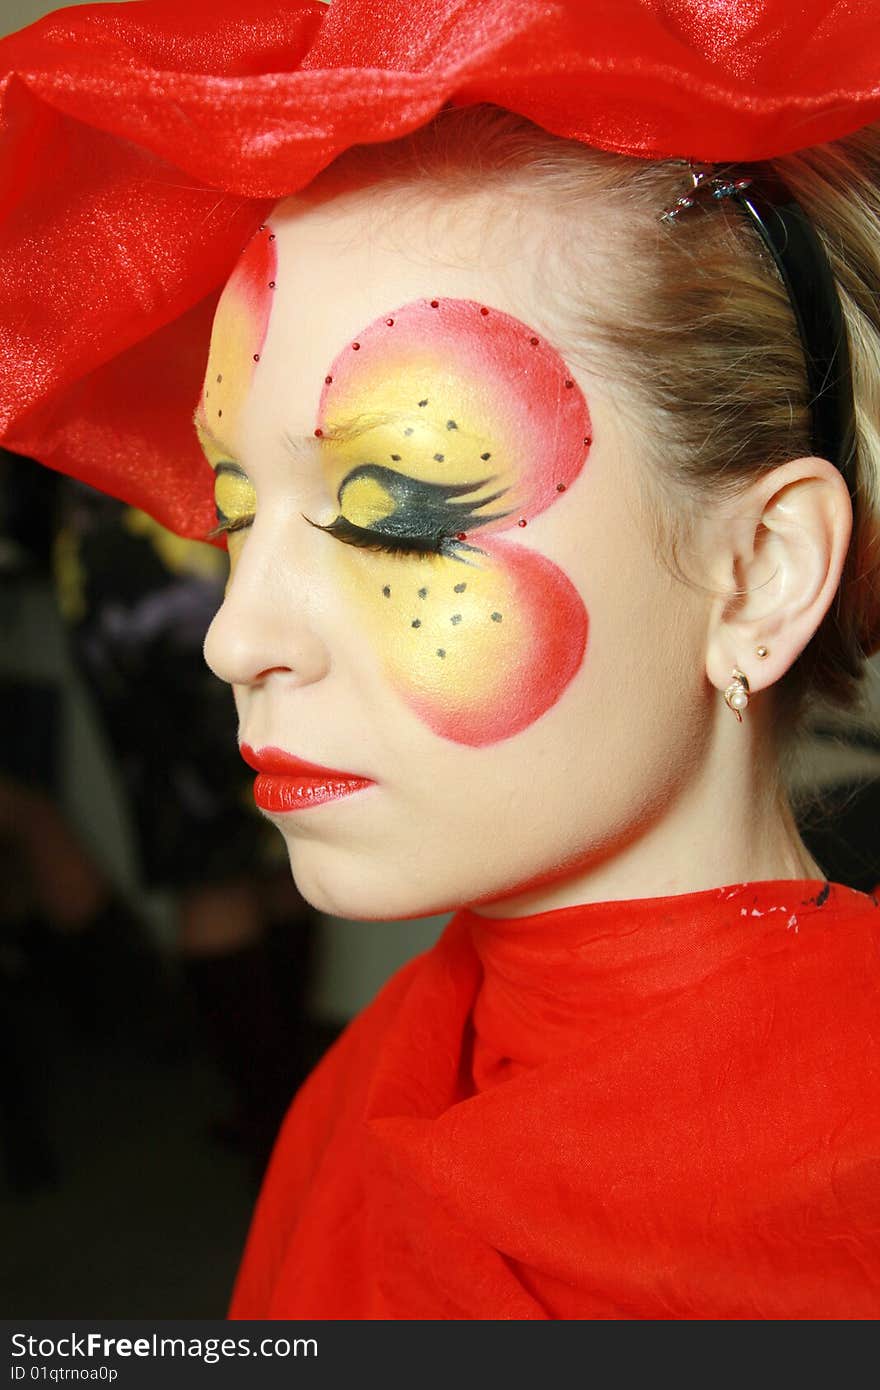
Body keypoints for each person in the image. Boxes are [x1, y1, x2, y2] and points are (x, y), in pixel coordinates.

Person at [2, 0, 880, 1321]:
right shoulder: (365, 1085)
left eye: (398, 511)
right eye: (238, 505)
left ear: (761, 570)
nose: (234, 634)